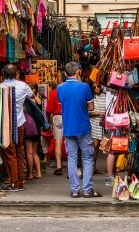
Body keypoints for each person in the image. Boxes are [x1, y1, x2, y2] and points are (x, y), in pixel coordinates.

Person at [57, 62, 100, 198]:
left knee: (72, 158)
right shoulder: (84, 87)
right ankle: (87, 189)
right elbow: (91, 107)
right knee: (87, 158)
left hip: (68, 127)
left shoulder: (60, 88)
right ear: (78, 72)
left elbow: (62, 105)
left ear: (65, 74)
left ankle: (74, 190)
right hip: (83, 126)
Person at [0, 64, 33, 191]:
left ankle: (14, 182)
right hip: (20, 123)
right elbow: (32, 96)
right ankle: (20, 181)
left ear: (3, 74)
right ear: (16, 74)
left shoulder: (0, 87)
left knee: (10, 154)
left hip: (6, 125)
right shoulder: (23, 85)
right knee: (19, 153)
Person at [44, 77, 63, 176]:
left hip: (57, 117)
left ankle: (59, 166)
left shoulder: (54, 93)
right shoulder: (68, 90)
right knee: (70, 142)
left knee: (58, 142)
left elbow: (49, 110)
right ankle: (73, 167)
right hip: (68, 116)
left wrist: (50, 122)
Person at [89, 82, 108, 179]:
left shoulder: (105, 96)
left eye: (98, 86)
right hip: (94, 123)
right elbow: (87, 111)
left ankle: (106, 167)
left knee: (104, 146)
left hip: (103, 124)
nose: (97, 88)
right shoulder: (91, 97)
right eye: (94, 87)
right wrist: (98, 113)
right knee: (95, 145)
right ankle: (92, 167)